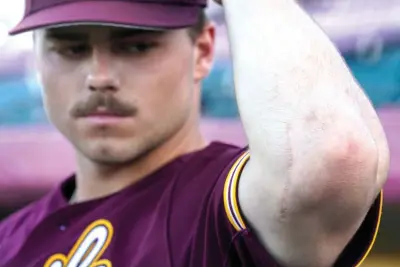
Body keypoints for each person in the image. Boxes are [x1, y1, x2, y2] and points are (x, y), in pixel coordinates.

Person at [0, 0, 389, 266]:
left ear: (202, 51)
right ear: (37, 56)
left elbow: (333, 155)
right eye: (70, 49)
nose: (98, 77)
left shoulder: (213, 202)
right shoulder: (9, 240)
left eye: (136, 47)